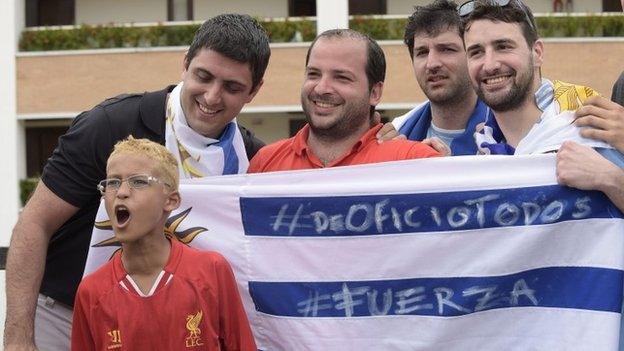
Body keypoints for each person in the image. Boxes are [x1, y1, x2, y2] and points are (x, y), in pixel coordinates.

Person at [5, 14, 269, 350]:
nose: (212, 96)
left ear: (254, 90)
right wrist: (17, 338)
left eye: (232, 87)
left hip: (173, 323)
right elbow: (34, 222)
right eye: (203, 76)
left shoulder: (252, 158)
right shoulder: (110, 124)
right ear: (185, 64)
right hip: (68, 312)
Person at [71, 137, 256, 351]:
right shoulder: (91, 291)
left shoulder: (211, 270)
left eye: (138, 181)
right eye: (112, 182)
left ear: (171, 200)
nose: (121, 192)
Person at [460, 0, 624, 210]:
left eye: (503, 47)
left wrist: (611, 179)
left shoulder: (592, 133)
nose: (490, 64)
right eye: (476, 52)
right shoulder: (477, 153)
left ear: (537, 53)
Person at [248, 29, 440, 173]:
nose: (322, 88)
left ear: (374, 92)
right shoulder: (265, 163)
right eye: (314, 74)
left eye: (341, 77)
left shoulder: (415, 163)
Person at [390, 0, 484, 155]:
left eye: (446, 49)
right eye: (422, 52)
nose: (431, 64)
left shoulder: (510, 134)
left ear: (473, 55)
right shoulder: (397, 135)